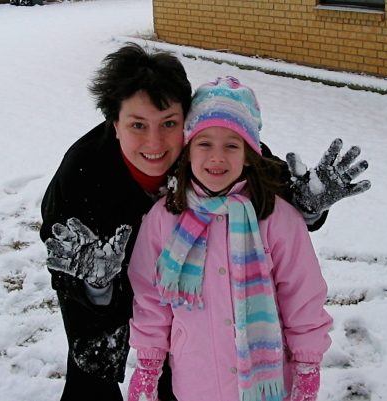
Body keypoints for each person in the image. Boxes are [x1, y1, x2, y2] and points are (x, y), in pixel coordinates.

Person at [40, 43, 369, 401]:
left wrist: (307, 205)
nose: (154, 142)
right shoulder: (83, 175)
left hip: (211, 323)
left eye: (169, 123)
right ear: (114, 124)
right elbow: (74, 270)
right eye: (137, 125)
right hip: (110, 287)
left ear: (187, 120)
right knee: (93, 375)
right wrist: (95, 286)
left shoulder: (212, 141)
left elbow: (268, 188)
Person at [127, 77, 333, 401]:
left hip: (268, 383)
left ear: (249, 155)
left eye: (232, 146)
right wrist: (148, 364)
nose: (217, 157)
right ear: (188, 150)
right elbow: (151, 299)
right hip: (196, 383)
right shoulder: (164, 220)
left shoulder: (276, 219)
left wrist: (308, 366)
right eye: (205, 143)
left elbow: (303, 296)